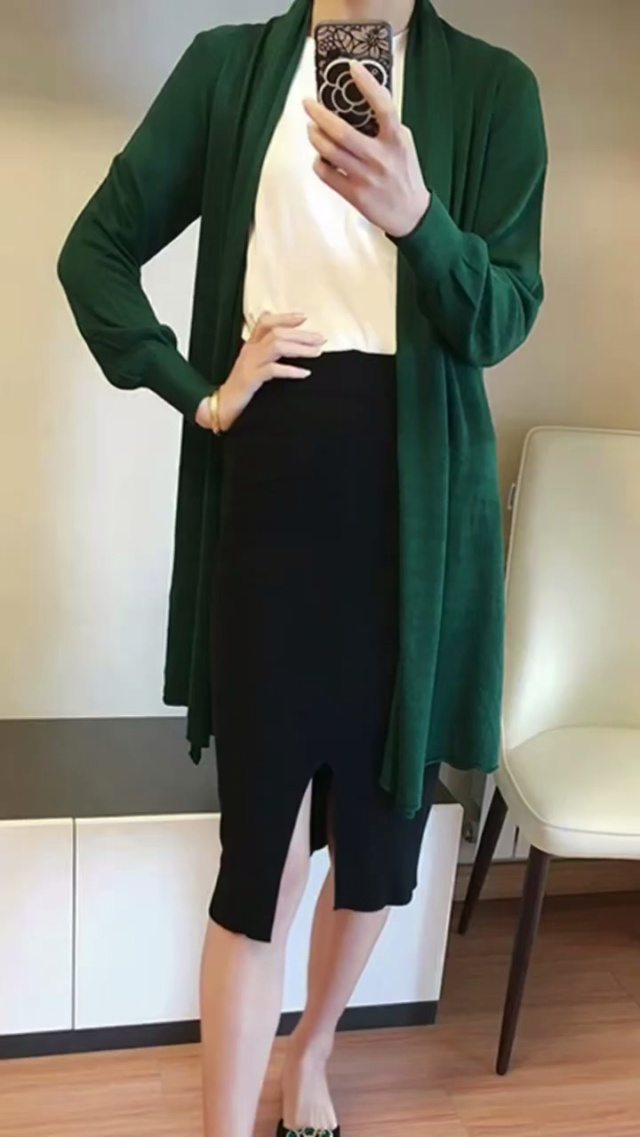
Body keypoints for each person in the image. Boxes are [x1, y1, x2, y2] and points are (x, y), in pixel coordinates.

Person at [57, 0, 547, 1134]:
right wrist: (200, 391)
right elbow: (94, 252)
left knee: (376, 838)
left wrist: (419, 220)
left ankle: (310, 1054)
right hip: (272, 501)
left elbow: (501, 316)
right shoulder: (227, 70)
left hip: (417, 520)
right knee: (260, 853)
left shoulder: (495, 90)